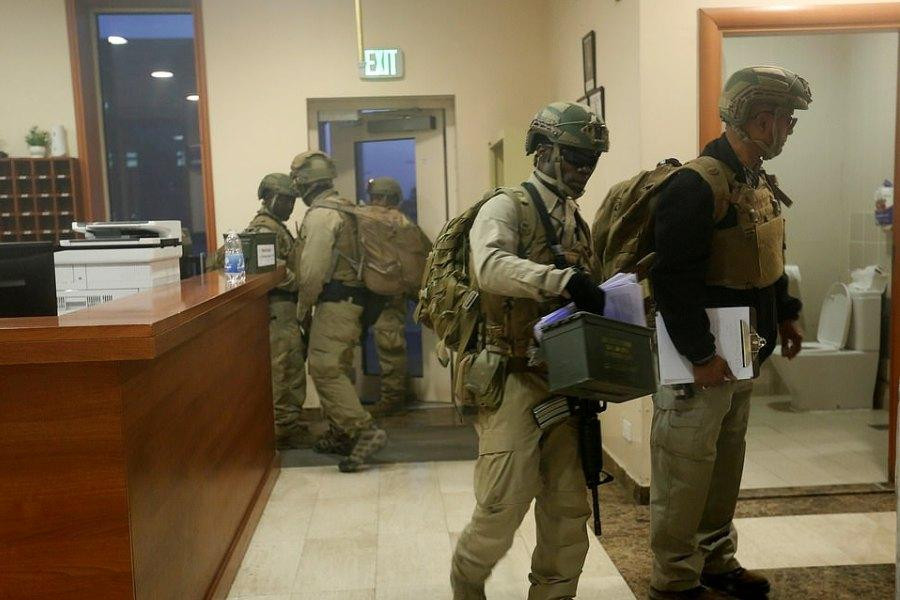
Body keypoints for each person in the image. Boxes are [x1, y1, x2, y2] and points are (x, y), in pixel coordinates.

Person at [648, 66, 811, 600]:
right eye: (786, 119)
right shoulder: (696, 185)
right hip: (699, 357)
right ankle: (674, 578)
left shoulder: (755, 181)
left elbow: (767, 259)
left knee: (724, 465)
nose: (789, 129)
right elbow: (672, 279)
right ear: (760, 120)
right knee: (684, 469)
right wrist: (700, 355)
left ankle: (717, 559)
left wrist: (785, 314)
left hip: (741, 348)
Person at [450, 101, 609, 600]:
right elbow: (489, 267)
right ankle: (467, 579)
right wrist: (560, 280)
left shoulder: (575, 220)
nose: (584, 170)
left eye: (591, 160)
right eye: (575, 157)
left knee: (567, 507)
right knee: (502, 504)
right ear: (543, 152)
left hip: (565, 377)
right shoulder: (507, 207)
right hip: (511, 373)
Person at [290, 150, 387, 473]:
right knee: (339, 367)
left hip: (335, 303)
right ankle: (342, 433)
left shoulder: (321, 215)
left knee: (324, 368)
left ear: (307, 183)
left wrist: (303, 307)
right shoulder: (346, 207)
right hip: (355, 303)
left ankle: (363, 430)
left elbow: (313, 271)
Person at [246, 173, 313, 450]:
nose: (290, 206)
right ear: (270, 198)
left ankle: (288, 423)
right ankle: (284, 429)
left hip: (283, 308)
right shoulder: (265, 228)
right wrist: (301, 283)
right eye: (286, 200)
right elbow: (266, 268)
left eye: (292, 200)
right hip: (278, 307)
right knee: (286, 368)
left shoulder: (274, 226)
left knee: (290, 365)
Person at [364, 176, 431, 416]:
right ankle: (400, 391)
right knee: (391, 344)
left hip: (377, 293)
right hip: (394, 293)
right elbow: (427, 252)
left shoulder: (367, 220)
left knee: (389, 346)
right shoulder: (405, 223)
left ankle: (393, 398)